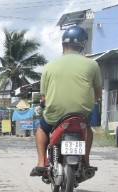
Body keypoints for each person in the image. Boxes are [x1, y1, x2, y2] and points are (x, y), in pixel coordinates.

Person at [32, 25, 102, 177]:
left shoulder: (49, 67)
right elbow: (97, 91)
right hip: (81, 113)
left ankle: (41, 162)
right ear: (82, 46)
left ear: (63, 45)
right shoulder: (92, 64)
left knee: (42, 128)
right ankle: (86, 162)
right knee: (87, 129)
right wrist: (89, 104)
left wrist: (46, 103)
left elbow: (43, 97)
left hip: (55, 114)